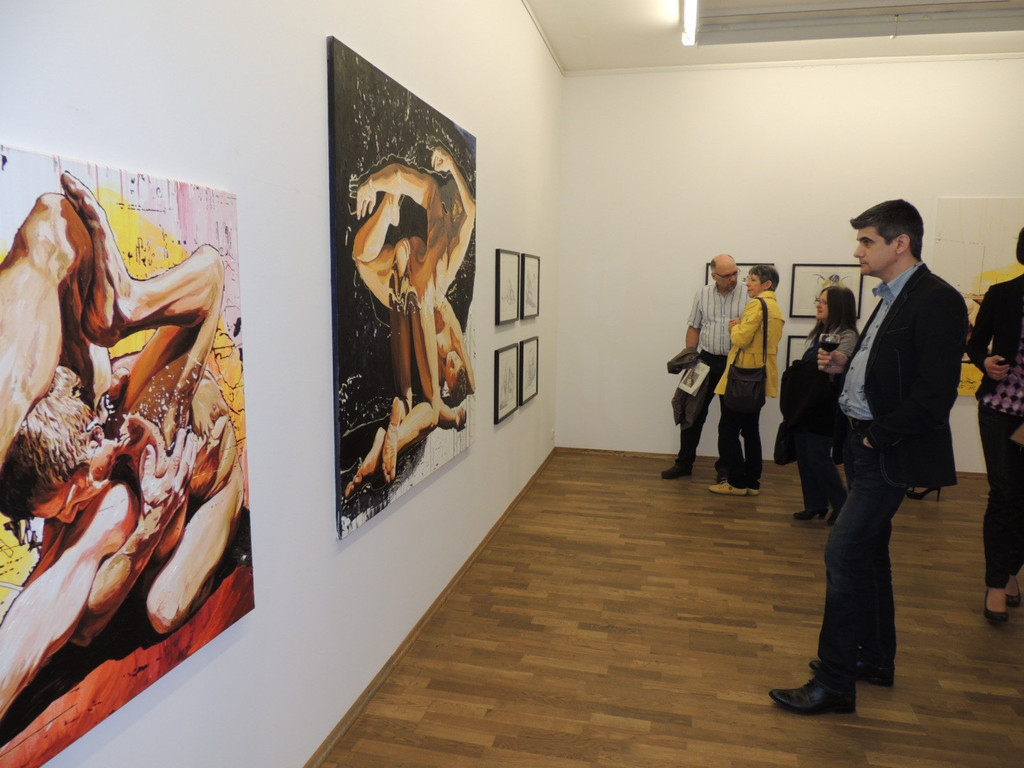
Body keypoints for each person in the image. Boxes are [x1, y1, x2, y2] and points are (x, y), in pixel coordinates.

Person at [0, 173, 246, 723]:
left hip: (215, 486)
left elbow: (211, 271)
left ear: (89, 445)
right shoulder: (88, 467)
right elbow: (85, 623)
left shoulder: (149, 412)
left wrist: (134, 307)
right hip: (140, 487)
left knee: (163, 608)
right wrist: (145, 532)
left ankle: (128, 304)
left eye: (67, 499)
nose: (65, 516)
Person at [769, 199, 968, 715]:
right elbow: (889, 367)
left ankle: (834, 683)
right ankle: (876, 658)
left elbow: (934, 394)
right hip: (864, 446)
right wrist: (845, 365)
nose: (857, 251)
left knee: (842, 553)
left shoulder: (937, 300)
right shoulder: (892, 297)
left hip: (885, 450)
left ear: (900, 244)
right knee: (870, 553)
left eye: (866, 241)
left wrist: (878, 438)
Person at [346, 147, 476, 493]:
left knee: (361, 257)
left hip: (397, 287)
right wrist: (452, 165)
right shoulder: (447, 254)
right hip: (418, 296)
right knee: (430, 408)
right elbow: (471, 210)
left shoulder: (438, 225)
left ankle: (386, 435)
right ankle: (396, 437)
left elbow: (403, 177)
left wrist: (373, 184)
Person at [965, 225, 1024, 623]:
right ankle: (997, 583)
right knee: (1005, 495)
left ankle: (1010, 568)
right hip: (1001, 408)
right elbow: (973, 342)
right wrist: (984, 361)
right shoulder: (1003, 294)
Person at [662, 254, 746, 481]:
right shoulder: (703, 294)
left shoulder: (748, 294)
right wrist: (691, 357)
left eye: (735, 272)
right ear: (714, 275)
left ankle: (725, 470)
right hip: (704, 361)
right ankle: (684, 463)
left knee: (729, 420)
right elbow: (694, 327)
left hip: (734, 364)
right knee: (692, 414)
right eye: (727, 275)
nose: (733, 278)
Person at [782, 286, 858, 523]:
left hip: (826, 406)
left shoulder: (847, 335)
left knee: (817, 455)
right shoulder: (822, 332)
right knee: (804, 453)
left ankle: (842, 505)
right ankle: (815, 504)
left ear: (838, 306)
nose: (819, 305)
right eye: (819, 300)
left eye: (824, 302)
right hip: (809, 403)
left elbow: (839, 363)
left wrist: (835, 359)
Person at [708, 264, 785, 496]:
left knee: (728, 429)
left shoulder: (757, 304)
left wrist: (736, 326)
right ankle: (752, 481)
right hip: (759, 375)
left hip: (743, 375)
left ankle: (736, 482)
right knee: (751, 430)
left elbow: (741, 339)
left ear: (767, 284)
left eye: (752, 280)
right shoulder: (775, 307)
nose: (747, 284)